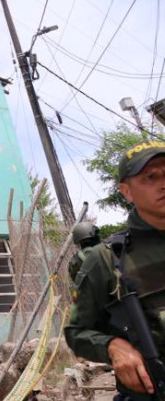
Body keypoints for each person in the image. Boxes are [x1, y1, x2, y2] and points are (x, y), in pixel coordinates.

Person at [65, 141, 165, 400]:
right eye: (150, 177)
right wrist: (112, 346)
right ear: (127, 192)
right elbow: (77, 332)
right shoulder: (107, 258)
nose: (162, 184)